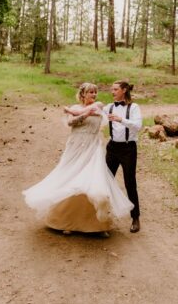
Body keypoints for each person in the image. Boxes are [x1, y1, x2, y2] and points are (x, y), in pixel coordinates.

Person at [22, 83, 134, 235]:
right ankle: (66, 221)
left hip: (92, 148)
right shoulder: (76, 107)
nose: (94, 95)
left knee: (92, 181)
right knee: (70, 178)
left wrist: (74, 112)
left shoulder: (99, 105)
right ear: (83, 94)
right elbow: (70, 122)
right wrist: (81, 115)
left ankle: (96, 225)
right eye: (90, 92)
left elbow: (87, 112)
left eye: (95, 92)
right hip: (75, 146)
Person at [104, 80, 143, 233]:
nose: (112, 92)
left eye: (115, 89)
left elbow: (138, 126)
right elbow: (95, 114)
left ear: (124, 90)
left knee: (130, 183)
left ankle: (135, 218)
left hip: (128, 149)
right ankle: (101, 217)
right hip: (112, 148)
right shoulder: (109, 107)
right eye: (112, 89)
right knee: (105, 181)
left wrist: (121, 119)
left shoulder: (134, 107)